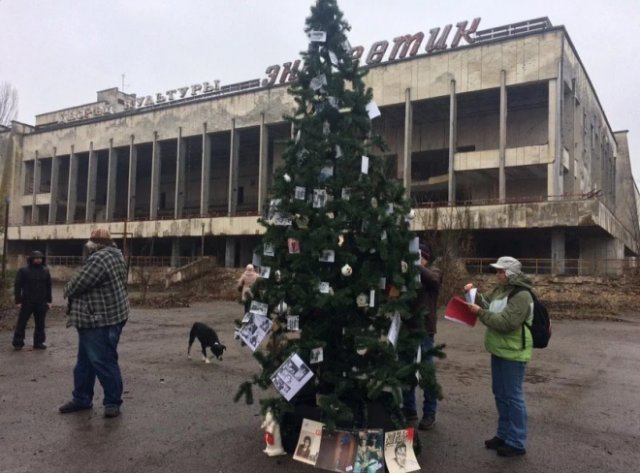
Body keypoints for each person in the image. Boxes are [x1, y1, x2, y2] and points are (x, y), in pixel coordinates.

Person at [465, 256, 533, 457]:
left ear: (511, 273)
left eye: (501, 271)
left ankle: (517, 441)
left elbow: (506, 322)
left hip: (514, 352)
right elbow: (487, 303)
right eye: (497, 271)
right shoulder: (500, 290)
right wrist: (473, 295)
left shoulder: (522, 295)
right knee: (501, 394)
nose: (497, 274)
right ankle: (503, 435)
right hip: (499, 350)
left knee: (513, 397)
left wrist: (479, 313)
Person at [59, 228, 129, 418]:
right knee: (85, 362)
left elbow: (75, 285)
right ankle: (81, 398)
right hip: (99, 318)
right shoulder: (116, 254)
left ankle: (112, 402)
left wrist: (67, 287)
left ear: (94, 244)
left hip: (99, 319)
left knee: (103, 360)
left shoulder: (99, 258)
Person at [403, 243, 442, 430]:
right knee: (407, 370)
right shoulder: (408, 275)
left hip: (425, 330)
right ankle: (409, 411)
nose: (419, 260)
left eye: (421, 257)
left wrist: (415, 264)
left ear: (426, 258)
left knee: (426, 372)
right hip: (407, 329)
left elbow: (433, 280)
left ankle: (429, 413)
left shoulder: (434, 271)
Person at [12, 250, 52, 350]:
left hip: (41, 302)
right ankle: (18, 343)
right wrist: (18, 301)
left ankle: (38, 343)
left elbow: (48, 286)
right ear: (31, 259)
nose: (38, 260)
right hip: (27, 301)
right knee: (22, 322)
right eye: (36, 258)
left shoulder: (45, 271)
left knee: (40, 323)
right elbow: (18, 286)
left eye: (40, 258)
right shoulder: (23, 271)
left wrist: (49, 301)